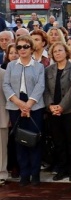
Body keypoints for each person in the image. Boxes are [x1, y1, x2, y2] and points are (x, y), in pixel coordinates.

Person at [3, 35, 45, 186]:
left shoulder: (39, 66)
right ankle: (24, 174)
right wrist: (20, 103)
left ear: (32, 48)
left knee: (34, 140)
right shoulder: (11, 65)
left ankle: (35, 174)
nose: (22, 50)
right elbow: (6, 85)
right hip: (15, 107)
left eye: (25, 47)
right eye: (19, 47)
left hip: (35, 107)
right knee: (20, 140)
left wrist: (29, 105)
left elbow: (40, 86)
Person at [44, 42, 71, 181]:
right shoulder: (48, 70)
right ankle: (62, 168)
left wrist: (62, 106)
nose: (57, 53)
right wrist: (51, 106)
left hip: (69, 110)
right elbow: (45, 90)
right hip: (53, 111)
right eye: (55, 51)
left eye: (60, 50)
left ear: (66, 52)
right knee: (58, 141)